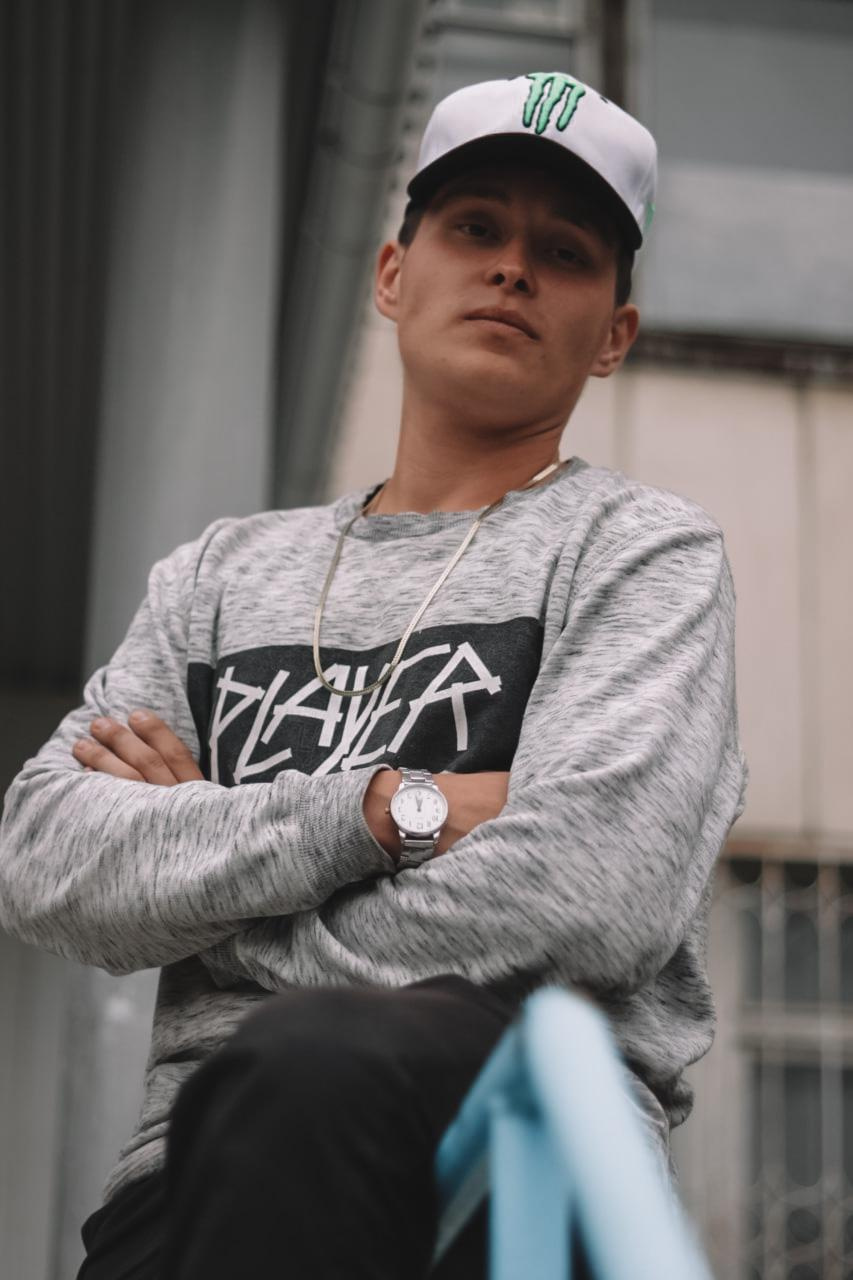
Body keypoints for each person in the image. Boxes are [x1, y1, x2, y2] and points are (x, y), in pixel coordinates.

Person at [0, 71, 748, 1278]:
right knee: (274, 1089)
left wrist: (217, 886)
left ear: (614, 333)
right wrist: (392, 809)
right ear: (393, 273)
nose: (512, 268)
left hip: (521, 1147)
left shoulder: (642, 552)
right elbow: (43, 854)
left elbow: (589, 892)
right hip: (190, 1170)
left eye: (563, 250)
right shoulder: (219, 574)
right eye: (476, 227)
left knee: (312, 1056)